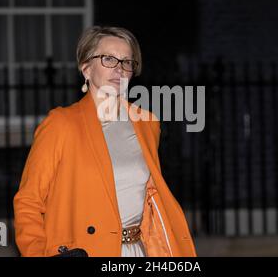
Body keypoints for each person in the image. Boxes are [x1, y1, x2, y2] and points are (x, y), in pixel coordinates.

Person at [13, 26, 197, 257]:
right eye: (108, 59)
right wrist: (38, 253)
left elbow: (151, 199)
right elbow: (28, 201)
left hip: (138, 251)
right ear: (86, 68)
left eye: (127, 62)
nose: (119, 69)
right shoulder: (60, 124)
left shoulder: (147, 124)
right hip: (84, 251)